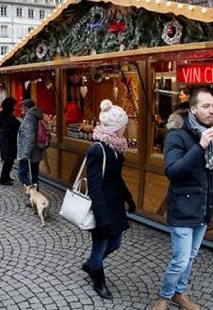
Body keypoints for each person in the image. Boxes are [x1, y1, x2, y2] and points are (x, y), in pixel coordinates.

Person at [150, 89, 213, 310]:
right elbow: (173, 171)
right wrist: (200, 147)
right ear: (193, 109)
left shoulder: (211, 135)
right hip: (183, 208)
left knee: (190, 257)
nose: (211, 111)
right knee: (180, 259)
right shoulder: (176, 136)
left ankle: (179, 294)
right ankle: (164, 296)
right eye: (206, 106)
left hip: (203, 209)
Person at [81, 100, 136, 299]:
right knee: (100, 248)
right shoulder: (98, 149)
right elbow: (95, 187)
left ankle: (90, 265)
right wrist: (101, 217)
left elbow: (116, 178)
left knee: (116, 244)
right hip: (102, 207)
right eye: (123, 126)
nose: (125, 129)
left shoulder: (115, 148)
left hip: (114, 205)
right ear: (115, 128)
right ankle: (98, 279)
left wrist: (128, 199)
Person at [17, 99, 45, 191]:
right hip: (36, 152)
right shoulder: (36, 115)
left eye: (22, 106)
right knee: (34, 175)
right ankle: (35, 194)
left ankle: (32, 192)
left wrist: (26, 153)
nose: (21, 108)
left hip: (29, 153)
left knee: (21, 174)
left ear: (27, 107)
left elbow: (30, 137)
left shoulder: (29, 117)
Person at [0, 97, 20, 186]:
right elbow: (17, 125)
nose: (15, 107)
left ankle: (7, 176)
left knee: (9, 159)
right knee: (8, 160)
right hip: (7, 140)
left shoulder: (2, 114)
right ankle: (3, 179)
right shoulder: (9, 116)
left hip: (5, 138)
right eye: (14, 105)